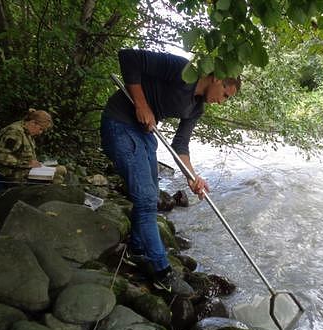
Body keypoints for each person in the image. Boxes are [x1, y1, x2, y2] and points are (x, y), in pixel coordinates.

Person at [100, 49, 240, 295]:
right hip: (120, 123)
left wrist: (192, 177)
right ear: (218, 79)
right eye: (225, 95)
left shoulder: (196, 109)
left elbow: (180, 146)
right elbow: (128, 58)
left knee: (151, 197)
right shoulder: (182, 70)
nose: (222, 101)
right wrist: (142, 105)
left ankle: (136, 251)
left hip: (145, 134)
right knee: (144, 199)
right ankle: (162, 273)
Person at [0, 109, 66, 190]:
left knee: (61, 169)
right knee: (56, 175)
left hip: (25, 170)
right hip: (12, 174)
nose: (40, 132)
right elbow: (1, 156)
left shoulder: (27, 132)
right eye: (40, 129)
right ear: (33, 123)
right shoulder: (15, 132)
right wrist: (27, 163)